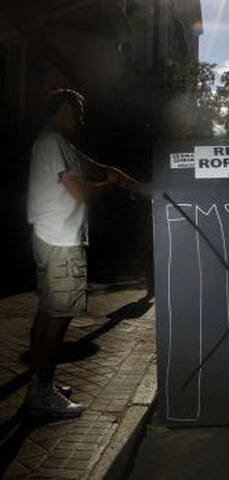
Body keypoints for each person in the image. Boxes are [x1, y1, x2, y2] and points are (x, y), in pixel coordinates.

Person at [26, 88, 137, 418]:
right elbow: (79, 192)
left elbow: (87, 165)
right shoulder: (52, 143)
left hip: (49, 237)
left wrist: (114, 173)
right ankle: (42, 395)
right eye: (78, 112)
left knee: (47, 312)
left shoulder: (57, 144)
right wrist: (112, 185)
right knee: (58, 317)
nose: (82, 119)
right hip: (60, 241)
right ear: (63, 109)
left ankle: (39, 384)